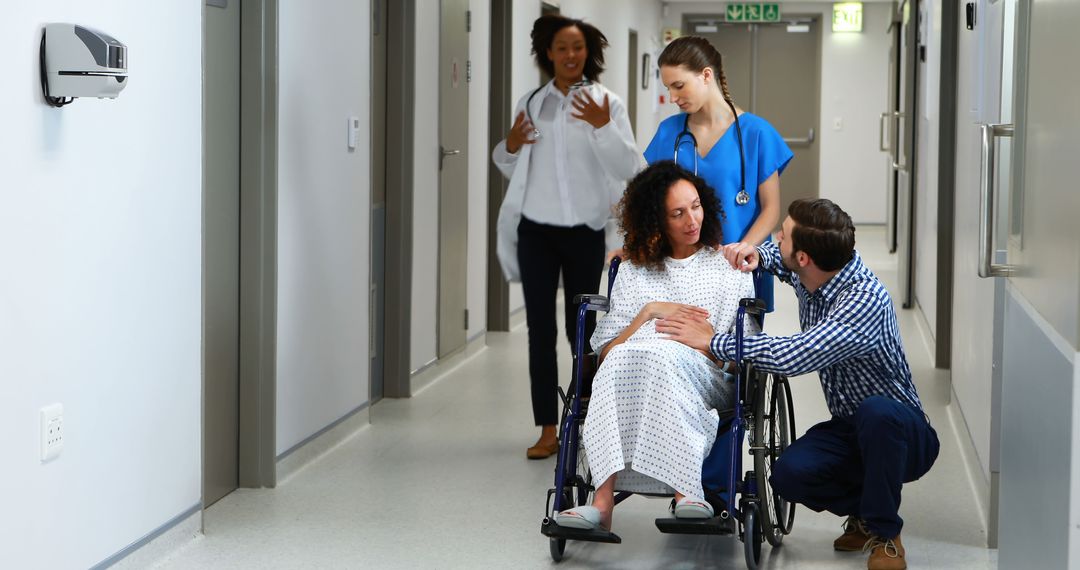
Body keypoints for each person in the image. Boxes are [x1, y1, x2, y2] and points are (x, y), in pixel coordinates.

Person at [658, 198, 939, 570]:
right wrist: (756, 254)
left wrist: (714, 341)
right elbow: (780, 259)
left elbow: (793, 356)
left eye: (784, 236)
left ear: (804, 257)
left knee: (877, 413)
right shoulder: (819, 269)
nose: (777, 237)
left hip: (902, 431)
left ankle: (886, 535)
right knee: (788, 475)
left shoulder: (863, 301)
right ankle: (864, 511)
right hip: (851, 427)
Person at [552, 161, 756, 533]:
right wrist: (647, 313)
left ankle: (685, 492)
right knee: (624, 360)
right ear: (656, 222)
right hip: (632, 372)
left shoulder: (726, 268)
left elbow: (744, 356)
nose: (692, 219)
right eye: (677, 214)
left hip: (707, 377)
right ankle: (601, 503)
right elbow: (607, 354)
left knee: (661, 355)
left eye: (695, 206)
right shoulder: (634, 270)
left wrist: (707, 342)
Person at [492, 14, 640, 460]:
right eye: (562, 48)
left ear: (588, 52)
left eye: (577, 47)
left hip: (584, 232)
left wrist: (601, 125)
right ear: (548, 54)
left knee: (584, 329)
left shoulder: (606, 102)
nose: (571, 55)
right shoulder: (533, 101)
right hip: (535, 230)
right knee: (540, 330)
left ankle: (584, 419)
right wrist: (511, 146)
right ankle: (547, 428)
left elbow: (629, 166)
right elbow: (507, 163)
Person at [643, 35, 793, 312]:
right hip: (681, 266)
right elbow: (651, 202)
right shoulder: (668, 133)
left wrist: (742, 249)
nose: (673, 98)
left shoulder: (756, 133)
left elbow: (771, 209)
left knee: (737, 349)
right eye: (668, 88)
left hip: (738, 266)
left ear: (706, 75)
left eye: (679, 86)